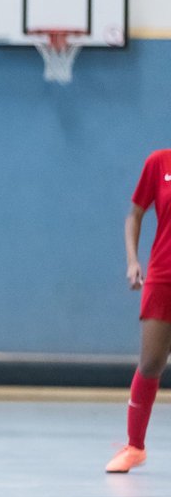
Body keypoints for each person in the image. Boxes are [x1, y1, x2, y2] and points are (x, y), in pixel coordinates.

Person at [106, 148, 171, 473]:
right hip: (163, 276)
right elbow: (134, 214)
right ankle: (135, 447)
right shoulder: (159, 162)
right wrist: (133, 261)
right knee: (151, 362)